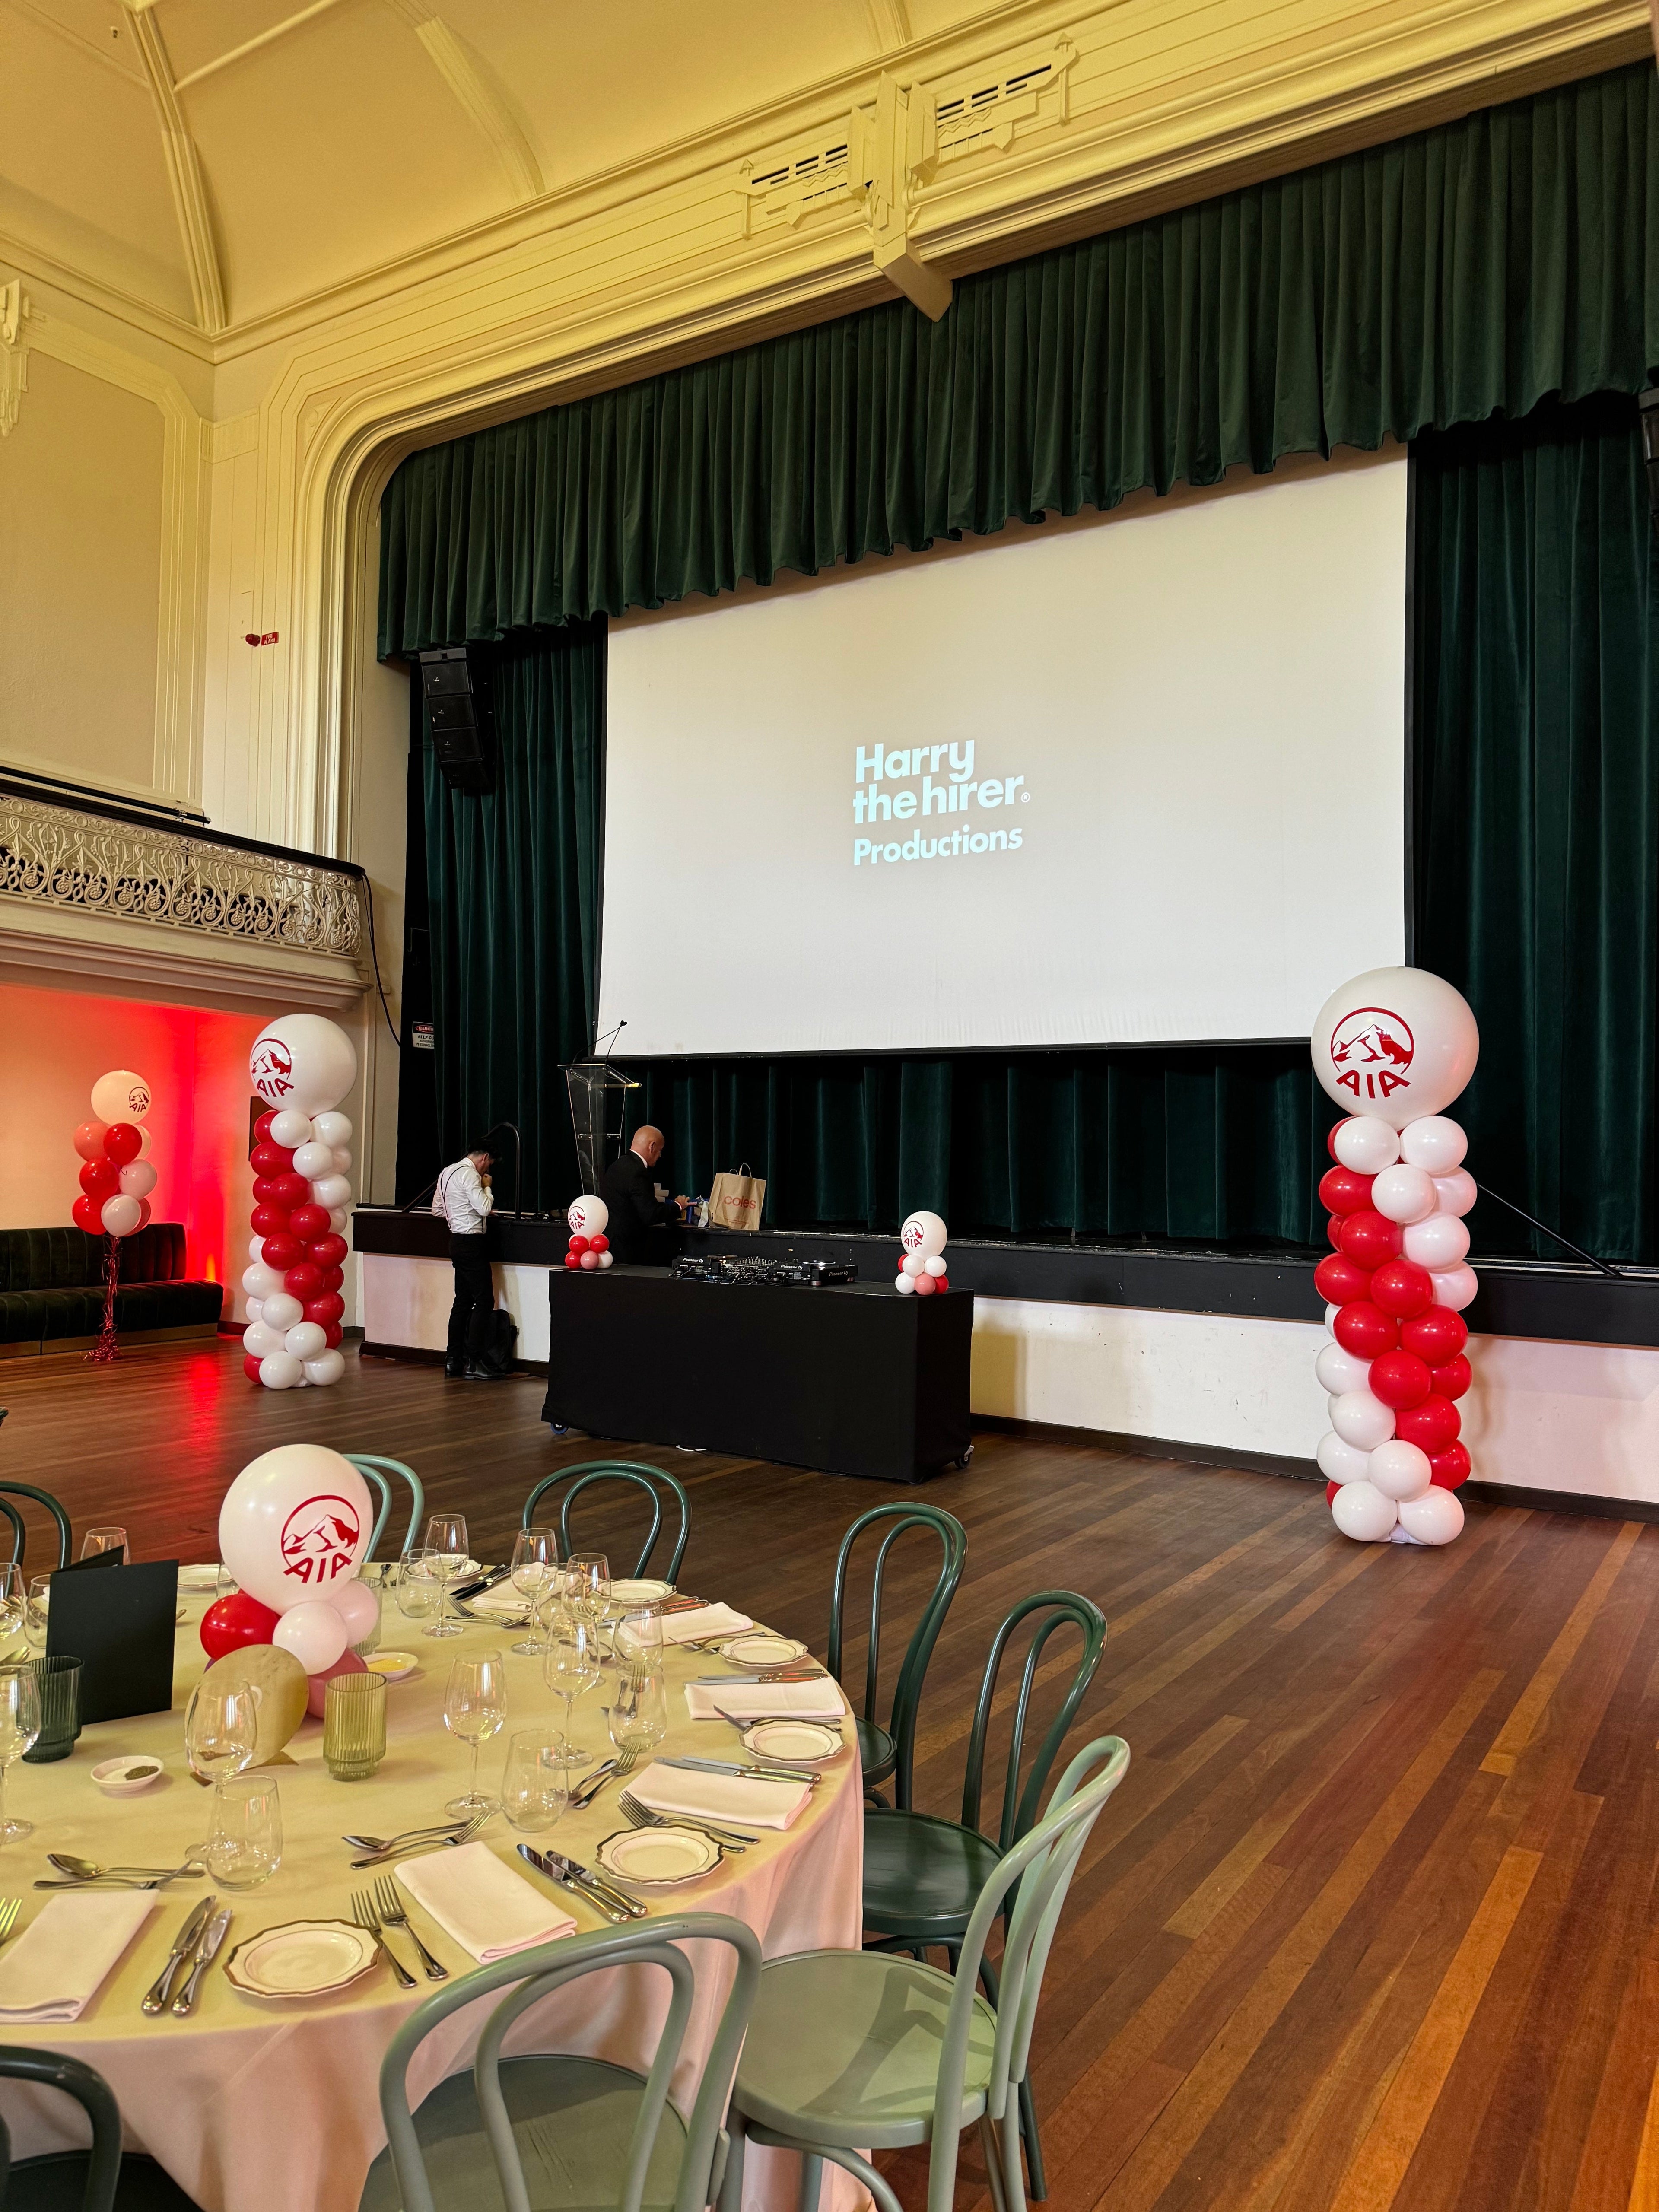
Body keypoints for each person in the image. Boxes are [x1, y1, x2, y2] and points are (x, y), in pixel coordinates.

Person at [433, 1147, 504, 1379]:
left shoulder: (446, 1173)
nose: (487, 1170)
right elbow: (483, 1208)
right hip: (472, 1244)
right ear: (484, 1158)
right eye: (489, 1165)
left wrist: (459, 1214)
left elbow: (437, 1210)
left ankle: (453, 1361)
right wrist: (488, 1187)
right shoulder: (471, 1174)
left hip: (456, 1240)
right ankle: (475, 1362)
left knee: (462, 1301)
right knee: (484, 1301)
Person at [600, 1125, 688, 1263]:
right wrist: (678, 1206)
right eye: (660, 1150)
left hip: (608, 1245)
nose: (660, 1155)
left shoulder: (616, 1165)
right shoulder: (638, 1172)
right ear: (652, 1146)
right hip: (628, 1251)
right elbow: (650, 1215)